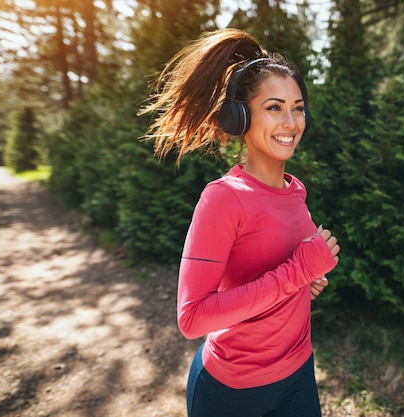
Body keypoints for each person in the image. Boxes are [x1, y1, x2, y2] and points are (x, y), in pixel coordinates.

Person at [140, 29, 340, 417]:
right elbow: (192, 317)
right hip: (232, 392)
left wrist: (306, 282)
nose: (291, 121)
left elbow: (277, 277)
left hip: (298, 373)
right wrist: (296, 272)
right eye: (274, 107)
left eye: (298, 107)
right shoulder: (223, 198)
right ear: (240, 117)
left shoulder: (295, 190)